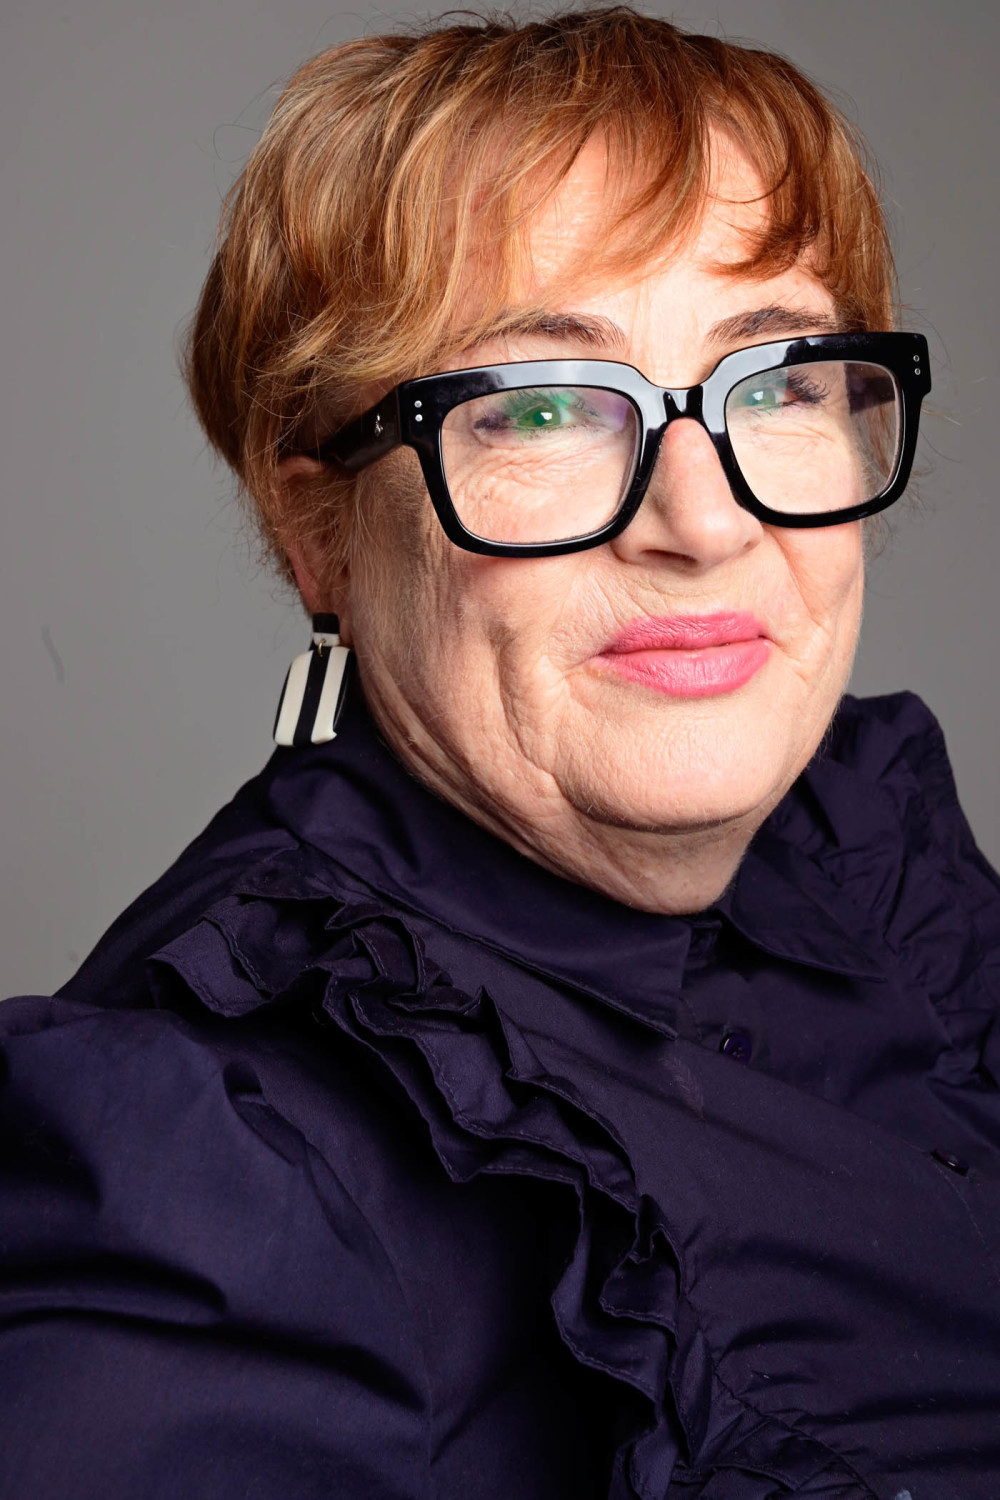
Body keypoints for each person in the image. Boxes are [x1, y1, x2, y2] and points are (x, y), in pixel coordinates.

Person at [2, 7, 998, 1497]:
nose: (705, 521)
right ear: (317, 527)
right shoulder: (217, 1174)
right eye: (541, 406)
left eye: (781, 377)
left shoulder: (878, 866)